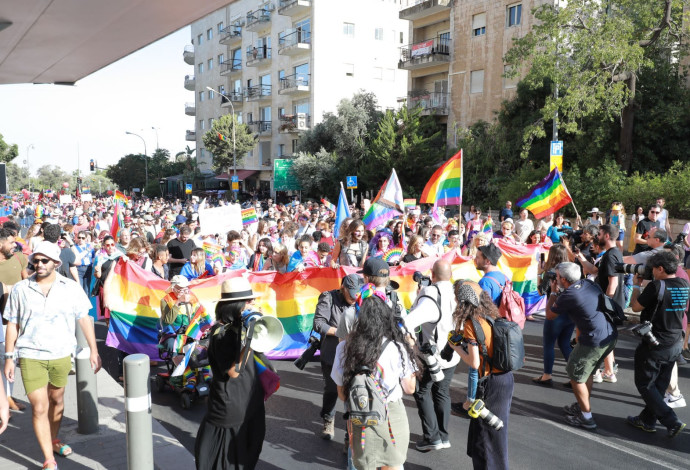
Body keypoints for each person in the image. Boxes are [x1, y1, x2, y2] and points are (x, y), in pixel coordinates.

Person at [3, 241, 101, 470]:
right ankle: (49, 459)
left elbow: (84, 318)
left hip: (61, 353)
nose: (38, 264)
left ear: (56, 263)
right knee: (39, 406)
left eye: (44, 260)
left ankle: (54, 439)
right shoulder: (21, 288)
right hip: (30, 354)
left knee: (57, 400)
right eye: (35, 260)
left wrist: (93, 350)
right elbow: (12, 324)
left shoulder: (70, 287)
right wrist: (9, 356)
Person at [331, 295, 417, 470]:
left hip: (360, 415)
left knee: (362, 464)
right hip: (392, 415)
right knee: (393, 463)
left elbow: (342, 394)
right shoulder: (398, 348)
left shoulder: (344, 348)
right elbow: (410, 388)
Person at [195, 277, 266, 470]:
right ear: (236, 306)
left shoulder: (240, 327)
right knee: (225, 457)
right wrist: (250, 340)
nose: (253, 304)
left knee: (248, 450)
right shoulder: (221, 332)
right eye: (249, 302)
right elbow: (234, 372)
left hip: (250, 400)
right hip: (230, 405)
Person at [448, 281, 513, 470]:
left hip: (490, 383)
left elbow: (474, 362)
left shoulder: (472, 323)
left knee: (486, 439)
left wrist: (456, 348)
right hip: (505, 379)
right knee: (492, 435)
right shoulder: (491, 314)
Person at [550, 262, 617, 430]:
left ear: (564, 279)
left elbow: (550, 314)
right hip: (609, 335)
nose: (555, 279)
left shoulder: (569, 294)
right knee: (586, 373)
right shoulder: (588, 283)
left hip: (593, 341)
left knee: (576, 374)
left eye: (557, 276)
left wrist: (552, 292)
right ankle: (582, 407)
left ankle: (587, 417)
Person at [627, 251, 688, 437]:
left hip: (655, 342)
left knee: (645, 384)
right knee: (659, 385)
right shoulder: (684, 284)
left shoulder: (657, 285)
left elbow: (635, 307)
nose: (651, 271)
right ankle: (647, 420)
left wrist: (637, 286)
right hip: (675, 341)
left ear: (660, 269)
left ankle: (671, 421)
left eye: (653, 268)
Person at [404, 260, 459, 452]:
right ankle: (443, 436)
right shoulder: (457, 291)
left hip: (431, 355)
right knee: (442, 392)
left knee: (422, 392)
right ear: (450, 275)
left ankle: (432, 437)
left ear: (432, 276)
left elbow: (408, 321)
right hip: (452, 353)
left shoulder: (429, 295)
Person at [312, 274, 363, 440]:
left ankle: (351, 434)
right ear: (343, 288)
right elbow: (319, 323)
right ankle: (328, 418)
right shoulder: (329, 297)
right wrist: (342, 332)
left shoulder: (363, 300)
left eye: (357, 294)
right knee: (332, 390)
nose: (354, 298)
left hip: (355, 355)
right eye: (351, 294)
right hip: (332, 353)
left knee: (354, 393)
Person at [532, 245, 575, 386]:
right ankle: (575, 376)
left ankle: (547, 375)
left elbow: (540, 292)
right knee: (565, 343)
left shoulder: (551, 273)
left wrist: (539, 273)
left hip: (555, 311)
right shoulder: (571, 269)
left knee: (549, 344)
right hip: (570, 312)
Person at [160, 276, 211, 390]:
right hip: (172, 333)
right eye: (181, 288)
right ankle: (190, 377)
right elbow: (168, 320)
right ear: (174, 288)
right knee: (174, 347)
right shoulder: (165, 300)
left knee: (205, 346)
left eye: (186, 288)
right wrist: (178, 302)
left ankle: (206, 374)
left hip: (189, 331)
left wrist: (207, 325)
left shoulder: (192, 297)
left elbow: (201, 312)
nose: (184, 291)